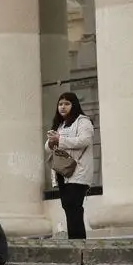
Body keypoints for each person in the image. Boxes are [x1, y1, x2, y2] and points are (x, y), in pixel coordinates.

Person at [46, 91, 95, 240]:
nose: (63, 107)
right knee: (68, 207)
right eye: (60, 104)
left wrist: (60, 140)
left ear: (74, 105)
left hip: (78, 172)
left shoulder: (83, 121)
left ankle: (79, 242)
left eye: (67, 104)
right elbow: (47, 148)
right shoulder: (60, 125)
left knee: (75, 207)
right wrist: (51, 141)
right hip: (62, 172)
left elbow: (84, 140)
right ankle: (74, 241)